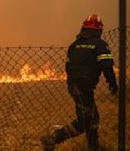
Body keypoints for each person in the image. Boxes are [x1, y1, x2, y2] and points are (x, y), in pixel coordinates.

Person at [41, 14, 118, 151]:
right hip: (84, 87)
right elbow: (106, 64)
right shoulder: (100, 44)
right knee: (84, 121)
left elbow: (68, 68)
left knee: (93, 117)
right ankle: (53, 139)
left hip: (74, 86)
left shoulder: (74, 45)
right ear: (99, 30)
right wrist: (111, 81)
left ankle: (93, 147)